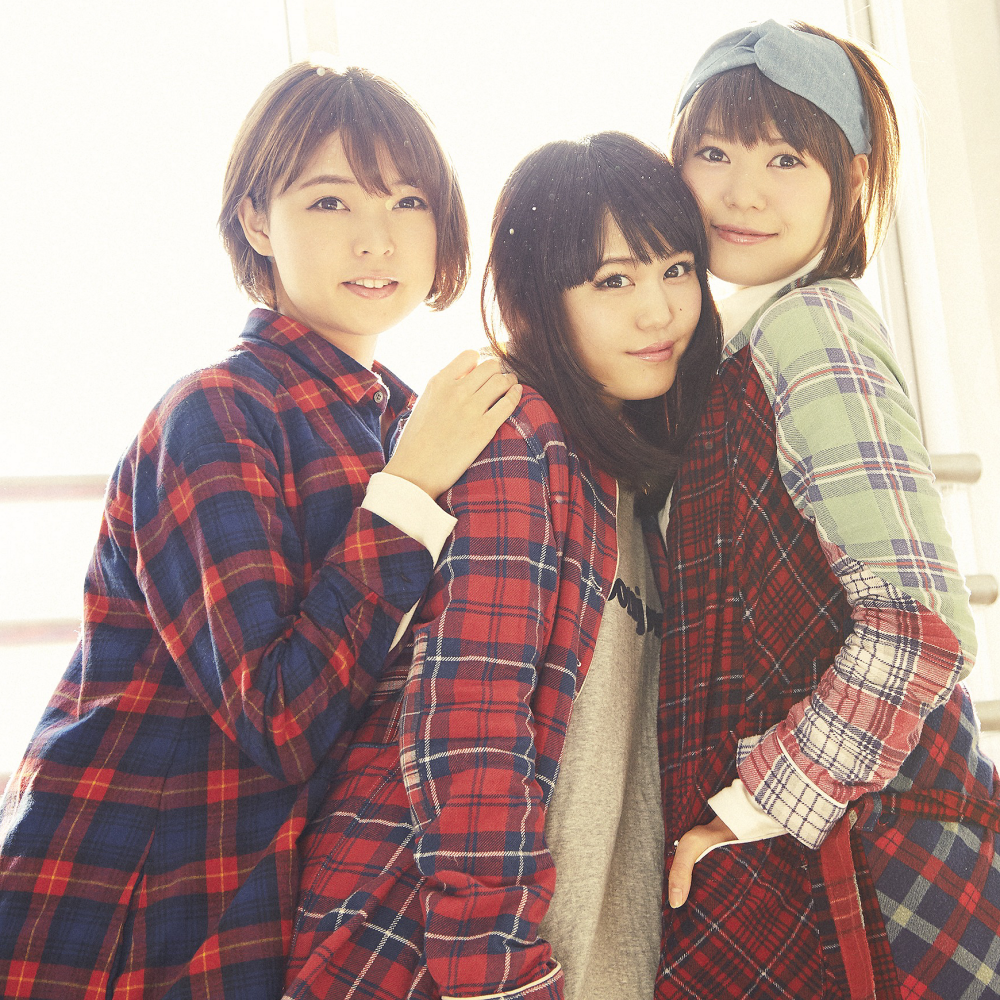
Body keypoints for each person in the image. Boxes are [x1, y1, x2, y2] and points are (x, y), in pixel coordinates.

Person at [0, 63, 521, 999]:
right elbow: (281, 717)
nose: (376, 237)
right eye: (329, 200)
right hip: (127, 914)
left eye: (408, 201)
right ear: (254, 220)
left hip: (281, 918)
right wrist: (409, 490)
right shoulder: (216, 412)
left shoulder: (404, 422)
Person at [281, 132, 721, 1000]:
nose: (660, 312)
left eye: (677, 270)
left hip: (589, 951)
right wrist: (501, 981)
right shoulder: (520, 434)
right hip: (442, 963)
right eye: (614, 281)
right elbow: (470, 724)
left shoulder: (637, 469)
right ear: (536, 300)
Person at [659, 20, 1000, 1000]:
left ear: (849, 180)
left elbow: (921, 626)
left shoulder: (813, 324)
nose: (742, 191)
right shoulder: (730, 348)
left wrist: (750, 808)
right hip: (800, 856)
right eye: (713, 152)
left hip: (847, 864)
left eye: (784, 157)